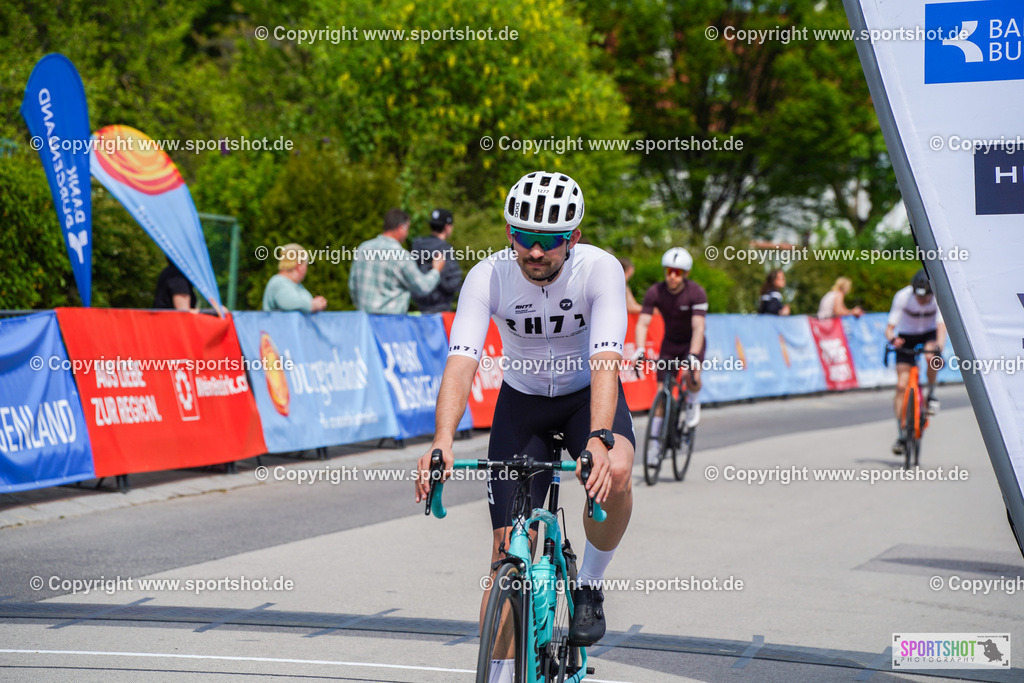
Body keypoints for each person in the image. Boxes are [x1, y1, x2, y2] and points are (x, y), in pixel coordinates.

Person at [414, 172, 634, 670]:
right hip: (523, 404)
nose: (534, 252)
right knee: (505, 556)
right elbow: (463, 359)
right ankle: (495, 673)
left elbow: (605, 358)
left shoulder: (600, 270)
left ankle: (590, 587)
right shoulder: (488, 275)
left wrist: (600, 438)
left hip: (586, 399)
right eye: (522, 237)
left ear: (572, 237)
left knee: (616, 472)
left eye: (548, 241)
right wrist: (442, 440)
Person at [633, 248, 707, 466]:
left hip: (692, 342)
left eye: (677, 272)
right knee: (660, 394)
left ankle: (693, 401)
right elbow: (643, 322)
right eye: (669, 271)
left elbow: (698, 327)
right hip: (670, 344)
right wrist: (639, 349)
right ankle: (654, 447)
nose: (672, 276)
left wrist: (693, 355)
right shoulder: (655, 292)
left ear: (686, 274)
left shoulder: (696, 293)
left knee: (691, 376)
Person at [886, 269, 947, 455]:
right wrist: (892, 340)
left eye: (925, 297)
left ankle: (931, 392)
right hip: (906, 336)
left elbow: (941, 328)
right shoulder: (903, 296)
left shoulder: (937, 296)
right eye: (918, 297)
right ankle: (901, 435)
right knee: (900, 385)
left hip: (928, 334)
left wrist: (938, 348)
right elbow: (889, 329)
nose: (921, 300)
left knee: (931, 356)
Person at [349, 209, 445, 314]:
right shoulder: (401, 256)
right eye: (407, 228)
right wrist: (436, 269)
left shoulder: (363, 249)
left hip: (365, 322)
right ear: (400, 227)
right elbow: (423, 287)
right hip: (390, 324)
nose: (407, 233)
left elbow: (353, 285)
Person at [411, 208, 463, 313]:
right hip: (440, 311)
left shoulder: (416, 245)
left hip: (419, 309)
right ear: (447, 227)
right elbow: (453, 283)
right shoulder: (445, 249)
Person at [261, 243, 328, 313]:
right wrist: (313, 305)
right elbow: (288, 302)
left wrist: (318, 304)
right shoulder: (278, 282)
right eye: (306, 265)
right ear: (299, 265)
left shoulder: (297, 285)